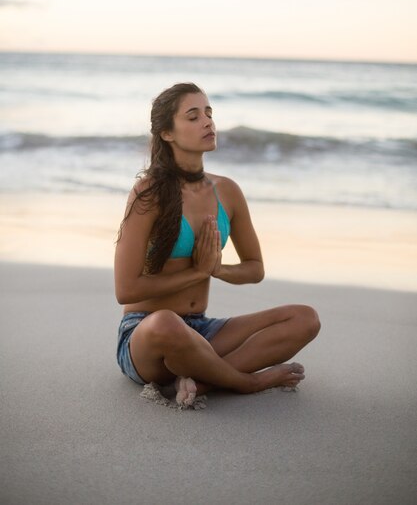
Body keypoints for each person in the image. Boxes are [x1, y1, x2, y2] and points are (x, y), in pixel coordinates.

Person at [115, 83, 320, 406]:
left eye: (209, 113)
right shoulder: (148, 193)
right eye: (193, 116)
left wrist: (218, 269)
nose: (208, 122)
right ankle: (244, 382)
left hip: (203, 332)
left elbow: (255, 269)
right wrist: (199, 272)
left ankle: (203, 381)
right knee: (167, 321)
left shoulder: (227, 191)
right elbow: (125, 290)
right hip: (148, 336)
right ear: (167, 133)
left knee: (304, 318)